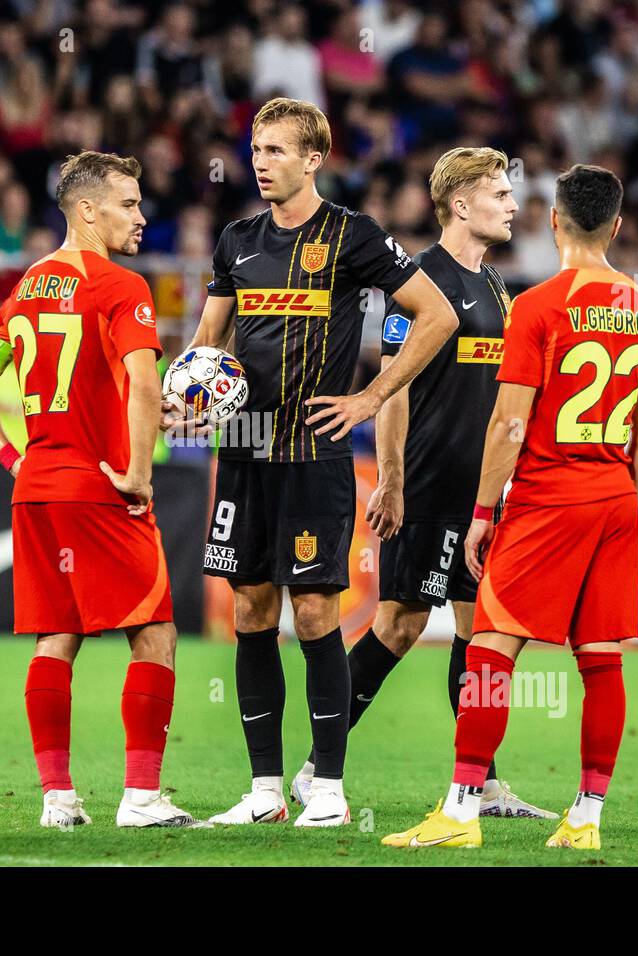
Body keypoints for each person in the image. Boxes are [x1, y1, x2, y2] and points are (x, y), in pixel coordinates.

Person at [191, 97, 459, 827]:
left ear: (313, 159)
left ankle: (330, 789)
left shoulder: (353, 235)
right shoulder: (236, 241)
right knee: (251, 609)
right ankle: (264, 791)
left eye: (275, 151)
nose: (260, 162)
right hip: (245, 447)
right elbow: (211, 339)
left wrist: (372, 396)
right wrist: (186, 389)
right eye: (255, 149)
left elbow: (437, 315)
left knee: (313, 613)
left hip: (315, 452)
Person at [383, 164, 638, 850]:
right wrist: (624, 502)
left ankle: (459, 812)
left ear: (555, 221)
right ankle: (586, 820)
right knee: (601, 660)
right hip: (614, 498)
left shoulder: (537, 306)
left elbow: (508, 426)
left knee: (489, 649)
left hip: (545, 498)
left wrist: (482, 515)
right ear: (618, 227)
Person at [289, 146, 553, 820]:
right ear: (459, 204)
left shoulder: (495, 285)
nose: (511, 204)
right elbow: (395, 390)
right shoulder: (422, 280)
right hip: (429, 487)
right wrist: (393, 481)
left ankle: (484, 783)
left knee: (481, 633)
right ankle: (320, 765)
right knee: (400, 625)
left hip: (479, 494)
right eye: (498, 193)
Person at [0, 150, 200, 829]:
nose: (141, 217)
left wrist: (10, 457)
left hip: (36, 487)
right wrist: (141, 473)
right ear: (87, 209)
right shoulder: (120, 287)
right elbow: (144, 381)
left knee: (55, 637)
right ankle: (142, 799)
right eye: (129, 204)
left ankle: (57, 799)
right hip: (101, 488)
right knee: (155, 634)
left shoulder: (28, 285)